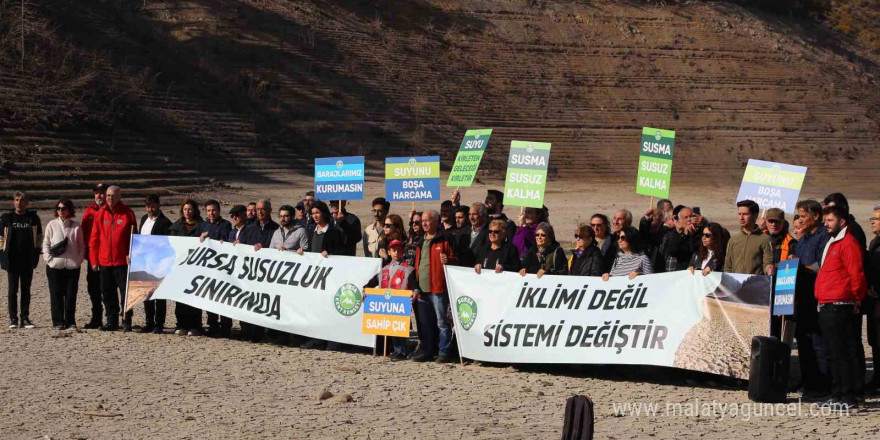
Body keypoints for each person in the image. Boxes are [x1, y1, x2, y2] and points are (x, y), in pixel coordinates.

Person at [814, 204, 867, 411]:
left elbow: (857, 273)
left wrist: (857, 299)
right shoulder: (833, 242)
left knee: (841, 352)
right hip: (826, 304)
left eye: (830, 220)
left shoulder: (848, 243)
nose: (826, 224)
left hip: (840, 304)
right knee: (832, 352)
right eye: (825, 220)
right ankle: (837, 394)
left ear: (842, 222)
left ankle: (847, 396)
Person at [794, 199, 832, 400]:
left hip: (816, 297)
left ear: (816, 216)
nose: (800, 220)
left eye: (802, 216)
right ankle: (808, 381)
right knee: (804, 341)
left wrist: (801, 267)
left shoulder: (823, 237)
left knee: (818, 343)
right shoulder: (803, 238)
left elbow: (822, 265)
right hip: (801, 297)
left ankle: (822, 385)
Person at [88, 186, 138, 332]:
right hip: (104, 261)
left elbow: (134, 237)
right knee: (107, 293)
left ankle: (126, 320)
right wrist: (94, 260)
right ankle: (111, 321)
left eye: (113, 196)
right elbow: (94, 239)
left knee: (125, 293)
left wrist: (131, 253)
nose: (110, 198)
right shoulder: (100, 214)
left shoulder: (128, 214)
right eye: (108, 195)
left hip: (122, 262)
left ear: (119, 197)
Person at [412, 210, 457, 363]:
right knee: (426, 324)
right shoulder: (420, 241)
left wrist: (449, 259)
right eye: (422, 220)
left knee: (442, 323)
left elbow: (457, 259)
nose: (424, 223)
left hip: (438, 289)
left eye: (427, 220)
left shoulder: (444, 239)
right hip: (422, 289)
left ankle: (444, 351)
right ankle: (428, 351)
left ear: (436, 221)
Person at [365, 240, 417, 361]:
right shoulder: (385, 268)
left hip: (400, 305)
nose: (396, 252)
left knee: (400, 329)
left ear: (402, 251)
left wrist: (416, 291)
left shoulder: (408, 269)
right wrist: (365, 288)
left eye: (399, 250)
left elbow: (413, 283)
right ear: (389, 252)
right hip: (389, 304)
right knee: (392, 329)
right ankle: (396, 350)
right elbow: (374, 280)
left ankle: (402, 351)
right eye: (393, 250)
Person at [41, 199, 85, 330]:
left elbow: (82, 245)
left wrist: (78, 260)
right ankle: (58, 321)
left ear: (69, 210)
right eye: (59, 208)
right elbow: (46, 243)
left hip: (72, 266)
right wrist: (49, 259)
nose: (61, 210)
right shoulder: (51, 224)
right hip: (55, 266)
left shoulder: (76, 226)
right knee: (56, 294)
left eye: (64, 208)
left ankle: (70, 321)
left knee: (71, 295)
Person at [1, 191, 42, 329]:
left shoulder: (33, 218)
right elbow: (1, 238)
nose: (19, 202)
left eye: (22, 200)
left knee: (26, 289)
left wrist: (36, 253)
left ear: (27, 202)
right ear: (14, 202)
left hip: (27, 260)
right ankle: (13, 319)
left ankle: (25, 318)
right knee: (12, 290)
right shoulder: (7, 218)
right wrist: (2, 254)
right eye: (17, 200)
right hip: (12, 260)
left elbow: (38, 237)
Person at [168, 200, 204, 336]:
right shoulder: (175, 227)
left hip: (196, 268)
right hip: (180, 268)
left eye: (190, 209)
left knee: (194, 297)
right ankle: (181, 324)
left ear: (194, 210)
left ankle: (195, 326)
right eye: (185, 209)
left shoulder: (202, 226)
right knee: (181, 298)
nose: (187, 212)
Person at [138, 194, 172, 333]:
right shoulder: (144, 219)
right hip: (144, 262)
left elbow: (167, 244)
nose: (150, 209)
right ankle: (149, 322)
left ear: (158, 205)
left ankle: (159, 324)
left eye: (152, 206)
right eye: (147, 206)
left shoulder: (165, 222)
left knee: (159, 296)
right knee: (147, 294)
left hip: (159, 264)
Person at [200, 199, 233, 337]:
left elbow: (226, 240)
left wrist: (209, 236)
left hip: (223, 267)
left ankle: (226, 326)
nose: (211, 213)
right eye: (208, 211)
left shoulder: (226, 224)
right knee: (210, 296)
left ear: (218, 211)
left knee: (224, 297)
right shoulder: (203, 225)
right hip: (208, 267)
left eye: (213, 210)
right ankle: (212, 324)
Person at [723, 200, 773, 276]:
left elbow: (767, 263)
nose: (741, 218)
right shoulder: (733, 239)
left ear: (755, 215)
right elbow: (728, 267)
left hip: (755, 284)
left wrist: (768, 269)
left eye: (745, 214)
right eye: (739, 214)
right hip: (735, 285)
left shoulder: (765, 239)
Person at [80, 183, 106, 329]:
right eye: (96, 193)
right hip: (93, 257)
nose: (99, 196)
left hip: (108, 256)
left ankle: (112, 319)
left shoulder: (111, 210)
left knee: (108, 289)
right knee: (93, 289)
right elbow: (83, 234)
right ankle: (96, 318)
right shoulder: (89, 211)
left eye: (102, 193)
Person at [656, 206, 697, 273]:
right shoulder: (671, 234)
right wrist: (683, 234)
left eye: (691, 216)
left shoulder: (699, 233)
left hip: (691, 273)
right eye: (686, 217)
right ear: (678, 220)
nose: (689, 219)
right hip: (674, 273)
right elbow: (672, 251)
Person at [865, 207, 880, 392]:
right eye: (872, 218)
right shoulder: (874, 242)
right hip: (873, 299)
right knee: (875, 341)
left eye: (876, 218)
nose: (872, 221)